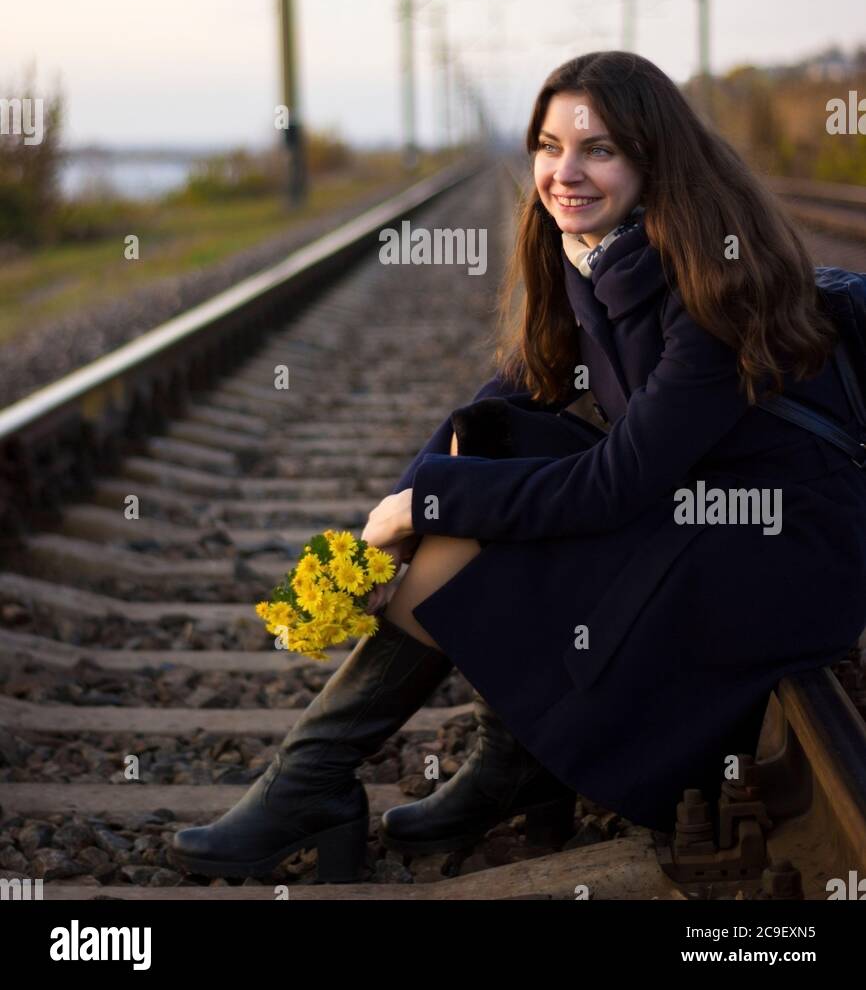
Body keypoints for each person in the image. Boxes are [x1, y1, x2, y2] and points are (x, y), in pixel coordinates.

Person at [172, 50, 866, 883]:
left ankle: (319, 780)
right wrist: (395, 512)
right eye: (548, 145)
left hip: (776, 541)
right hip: (694, 502)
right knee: (490, 450)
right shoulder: (595, 254)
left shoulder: (717, 285)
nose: (563, 173)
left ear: (654, 159)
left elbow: (616, 484)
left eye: (597, 150)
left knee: (484, 518)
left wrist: (430, 505)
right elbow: (508, 396)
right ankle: (472, 765)